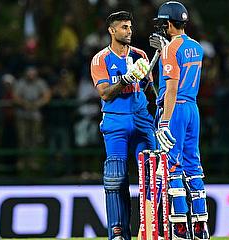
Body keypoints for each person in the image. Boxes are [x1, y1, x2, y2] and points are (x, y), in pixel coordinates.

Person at [90, 11, 157, 240]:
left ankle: (149, 229)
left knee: (151, 176)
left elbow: (150, 90)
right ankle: (118, 231)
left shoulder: (140, 55)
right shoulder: (100, 59)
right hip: (116, 120)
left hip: (141, 119)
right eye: (124, 27)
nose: (129, 31)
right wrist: (127, 79)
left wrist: (159, 114)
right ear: (112, 30)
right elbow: (105, 94)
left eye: (130, 27)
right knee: (116, 178)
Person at [149, 1, 210, 239]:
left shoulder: (169, 50)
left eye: (161, 24)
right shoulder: (197, 46)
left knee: (172, 166)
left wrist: (164, 121)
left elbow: (172, 89)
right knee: (193, 166)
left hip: (175, 110)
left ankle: (180, 228)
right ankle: (200, 226)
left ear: (167, 24)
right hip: (193, 110)